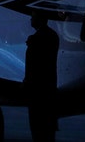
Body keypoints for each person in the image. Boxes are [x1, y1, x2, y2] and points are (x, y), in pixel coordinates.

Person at [24, 13, 59, 142]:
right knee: (47, 126)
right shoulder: (52, 36)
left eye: (33, 17)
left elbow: (33, 64)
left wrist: (27, 82)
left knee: (38, 125)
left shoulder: (37, 39)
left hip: (37, 89)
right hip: (49, 87)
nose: (31, 19)